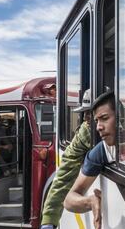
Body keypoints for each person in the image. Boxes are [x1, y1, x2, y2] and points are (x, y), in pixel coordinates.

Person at [40, 89, 93, 229]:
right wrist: (49, 219)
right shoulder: (83, 135)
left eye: (91, 113)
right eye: (85, 113)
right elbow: (64, 176)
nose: (85, 118)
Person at [64, 91, 116, 229]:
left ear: (121, 117)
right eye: (96, 121)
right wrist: (90, 202)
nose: (98, 127)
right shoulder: (101, 151)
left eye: (104, 118)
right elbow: (69, 200)